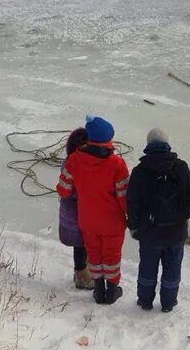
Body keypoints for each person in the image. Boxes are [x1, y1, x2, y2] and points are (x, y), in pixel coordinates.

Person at [57, 116, 130, 305]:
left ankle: (98, 291)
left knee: (95, 255)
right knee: (111, 256)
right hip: (112, 221)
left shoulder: (74, 160)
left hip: (87, 220)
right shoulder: (117, 164)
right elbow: (124, 195)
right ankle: (112, 291)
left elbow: (63, 190)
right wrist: (130, 216)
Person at [127, 128, 190, 313]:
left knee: (148, 267)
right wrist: (183, 218)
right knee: (172, 267)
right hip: (176, 231)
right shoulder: (181, 167)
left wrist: (133, 226)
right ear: (167, 144)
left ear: (148, 145)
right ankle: (168, 303)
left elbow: (132, 202)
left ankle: (145, 301)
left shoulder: (140, 171)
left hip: (149, 232)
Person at [58, 128, 93, 290]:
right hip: (77, 216)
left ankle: (81, 272)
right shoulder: (76, 164)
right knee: (81, 247)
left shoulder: (68, 162)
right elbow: (74, 191)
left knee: (81, 247)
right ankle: (82, 277)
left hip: (72, 215)